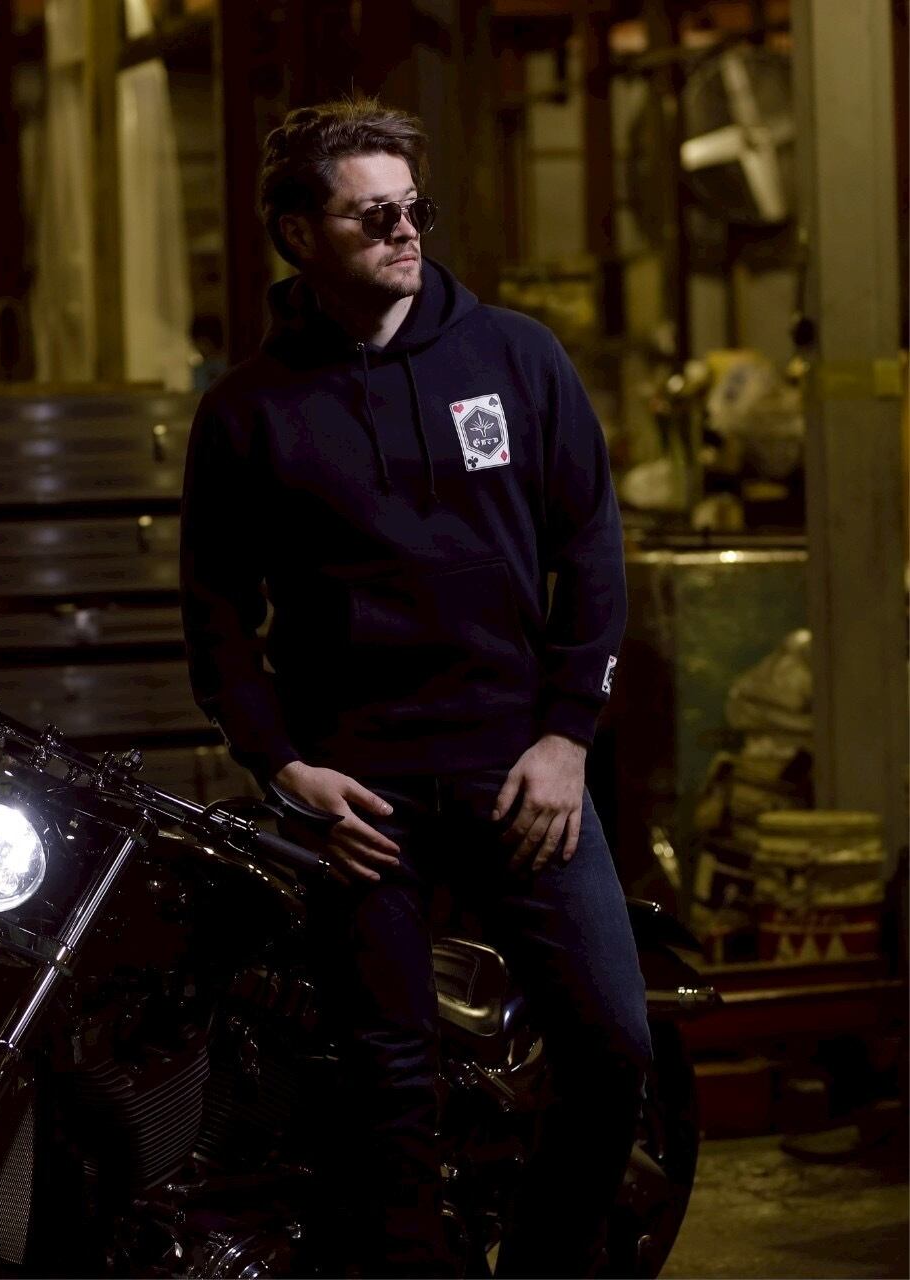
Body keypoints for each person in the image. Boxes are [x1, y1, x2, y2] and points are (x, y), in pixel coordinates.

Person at [178, 97, 651, 1278]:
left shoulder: (517, 359)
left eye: (414, 208)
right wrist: (283, 767)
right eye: (372, 213)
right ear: (299, 234)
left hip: (521, 773)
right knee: (385, 1096)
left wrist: (567, 735)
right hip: (363, 797)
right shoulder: (246, 411)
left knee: (611, 1051)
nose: (404, 231)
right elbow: (216, 614)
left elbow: (592, 552)